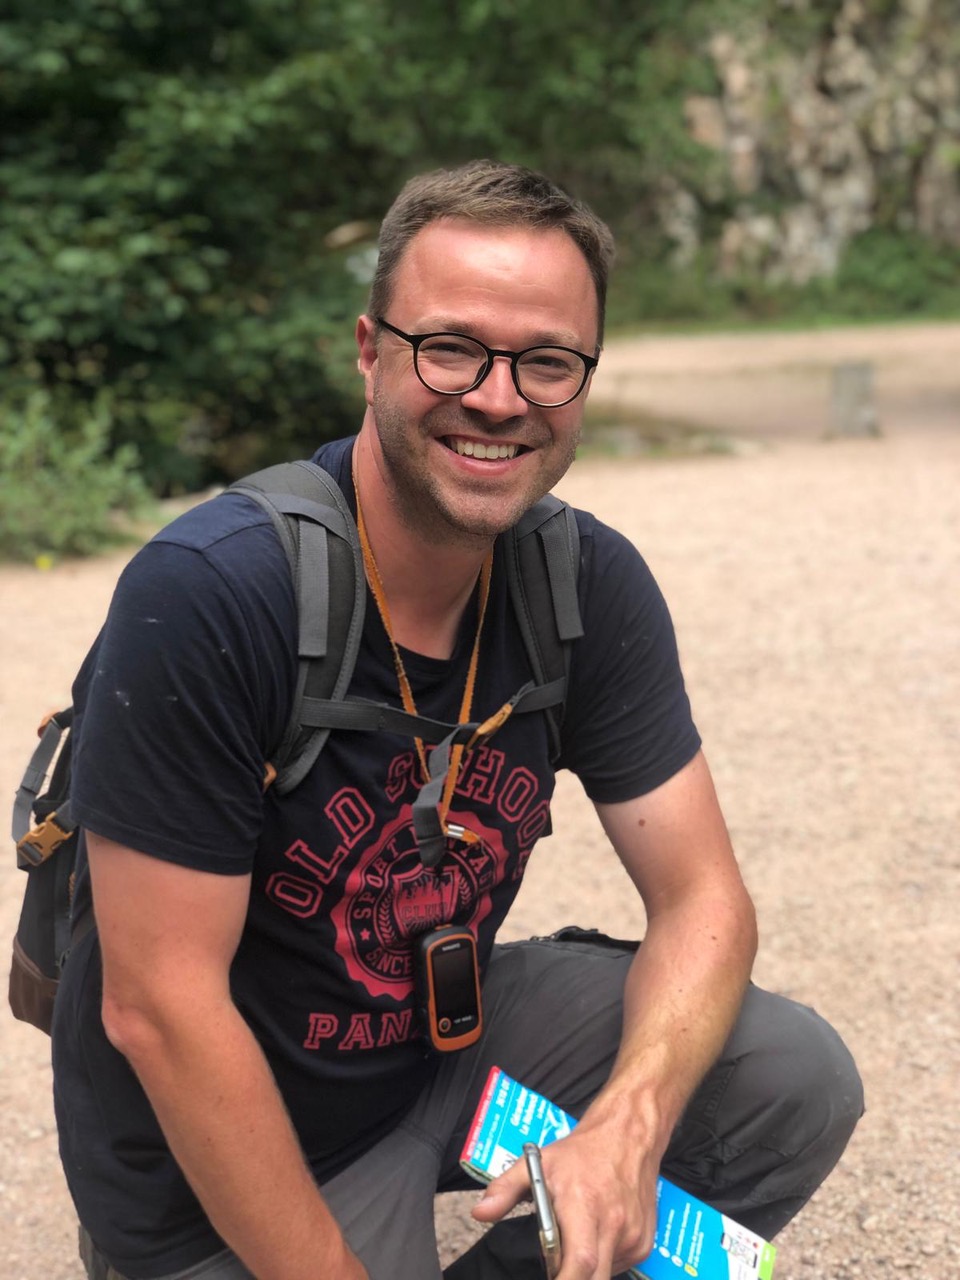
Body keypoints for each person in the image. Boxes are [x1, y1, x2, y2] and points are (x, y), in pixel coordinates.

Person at [53, 160, 863, 1280]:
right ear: (370, 350)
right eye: (450, 347)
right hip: (221, 1167)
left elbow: (704, 898)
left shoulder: (585, 583)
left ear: (584, 380)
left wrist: (628, 1124)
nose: (498, 396)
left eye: (546, 361)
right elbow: (158, 1006)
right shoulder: (215, 590)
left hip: (437, 1056)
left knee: (789, 1072)